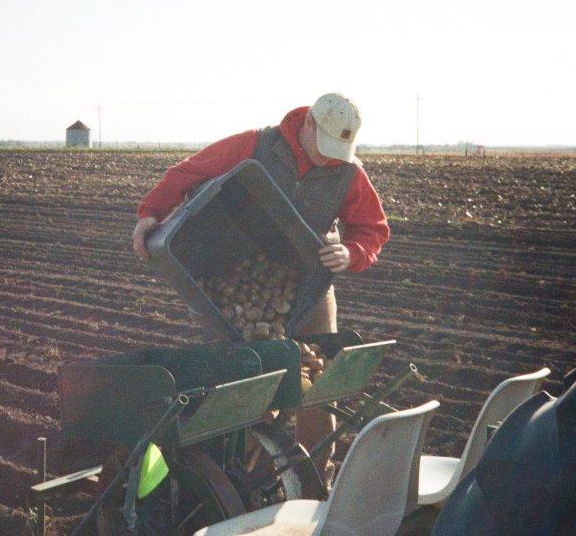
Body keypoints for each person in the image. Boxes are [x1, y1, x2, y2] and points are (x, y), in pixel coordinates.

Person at [131, 92, 390, 483]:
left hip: (308, 281)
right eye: (325, 146)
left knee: (319, 384)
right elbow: (186, 173)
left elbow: (372, 229)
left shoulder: (349, 172)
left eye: (340, 150)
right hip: (240, 271)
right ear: (307, 125)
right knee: (248, 379)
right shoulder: (254, 145)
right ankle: (249, 482)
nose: (330, 157)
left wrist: (351, 253)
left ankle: (316, 479)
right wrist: (150, 214)